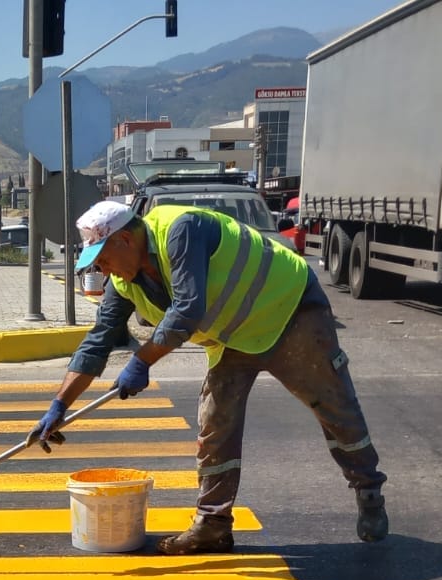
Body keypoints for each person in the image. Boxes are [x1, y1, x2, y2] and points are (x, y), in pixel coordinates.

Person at [27, 199, 388, 553]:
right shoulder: (125, 283)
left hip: (289, 311)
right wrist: (59, 406)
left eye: (103, 260)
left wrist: (142, 361)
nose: (103, 271)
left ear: (124, 240)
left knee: (333, 407)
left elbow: (188, 308)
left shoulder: (180, 229)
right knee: (216, 424)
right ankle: (213, 524)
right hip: (234, 340)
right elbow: (97, 343)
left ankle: (368, 489)